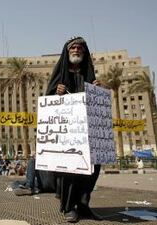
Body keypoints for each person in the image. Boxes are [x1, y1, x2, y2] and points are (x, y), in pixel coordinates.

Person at [46, 36, 103, 222]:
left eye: (80, 47)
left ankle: (84, 205)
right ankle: (69, 206)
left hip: (88, 132)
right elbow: (48, 102)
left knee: (92, 167)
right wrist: (57, 94)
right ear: (68, 51)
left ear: (84, 52)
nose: (76, 50)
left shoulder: (89, 75)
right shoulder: (60, 75)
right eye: (73, 47)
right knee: (70, 169)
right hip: (68, 134)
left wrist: (98, 91)